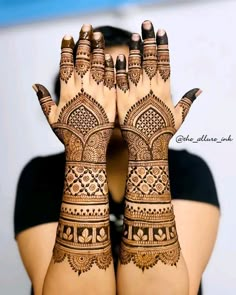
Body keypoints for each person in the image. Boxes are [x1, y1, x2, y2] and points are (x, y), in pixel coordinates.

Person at [14, 21, 220, 295]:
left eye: (124, 81)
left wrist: (150, 148)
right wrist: (84, 150)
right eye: (101, 83)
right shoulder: (40, 174)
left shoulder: (188, 170)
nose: (113, 97)